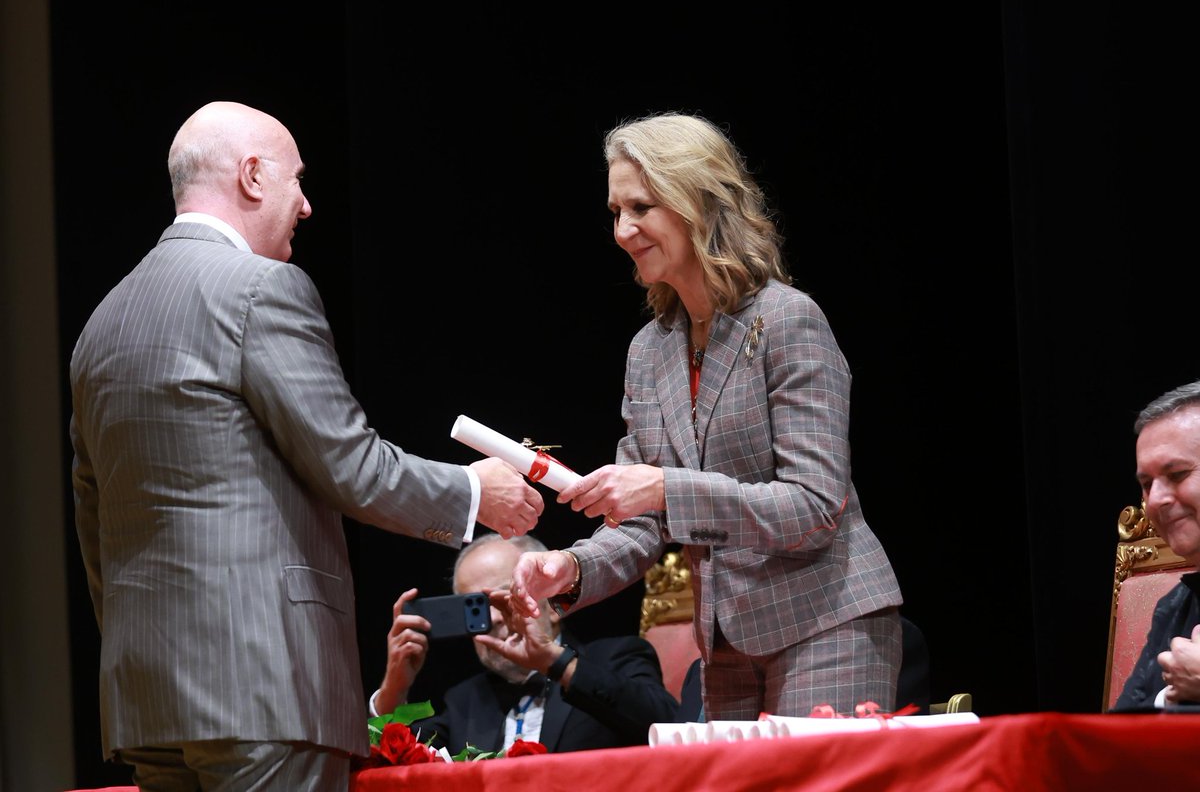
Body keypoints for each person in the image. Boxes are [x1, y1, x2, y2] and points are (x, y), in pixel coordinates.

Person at [68, 100, 545, 789]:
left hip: (148, 697)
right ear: (253, 177)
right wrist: (476, 490)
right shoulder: (262, 289)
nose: (308, 204)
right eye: (297, 180)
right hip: (264, 688)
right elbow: (349, 465)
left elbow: (94, 516)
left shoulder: (102, 323)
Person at [509, 112, 904, 722]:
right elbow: (640, 521)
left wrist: (666, 487)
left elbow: (815, 506)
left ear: (697, 204)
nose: (622, 229)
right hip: (724, 649)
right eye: (615, 212)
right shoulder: (649, 350)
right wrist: (570, 567)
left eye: (641, 207)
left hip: (827, 625)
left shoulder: (787, 320)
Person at [371, 532, 680, 753]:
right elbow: (392, 767)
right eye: (474, 607)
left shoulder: (616, 658)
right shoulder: (466, 701)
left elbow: (666, 726)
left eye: (505, 597)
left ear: (553, 605)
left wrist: (555, 662)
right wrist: (393, 689)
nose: (492, 618)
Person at [1114, 380, 1200, 709]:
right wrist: (1168, 694)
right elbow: (1122, 728)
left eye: (1177, 474)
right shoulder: (1174, 605)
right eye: (1147, 484)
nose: (1156, 501)